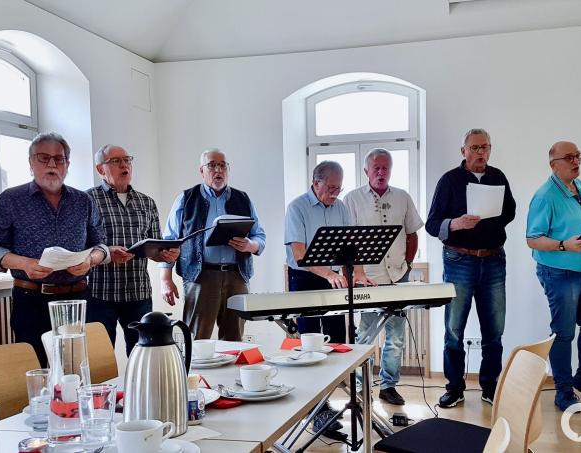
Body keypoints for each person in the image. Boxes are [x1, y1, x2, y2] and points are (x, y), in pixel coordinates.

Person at [0, 132, 109, 366]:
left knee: (77, 370)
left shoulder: (83, 201)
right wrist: (24, 264)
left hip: (77, 299)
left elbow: (101, 245)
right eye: (43, 158)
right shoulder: (11, 199)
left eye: (58, 159)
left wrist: (90, 260)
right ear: (31, 163)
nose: (52, 164)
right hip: (31, 299)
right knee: (36, 369)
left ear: (67, 165)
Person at [426, 128, 516, 408]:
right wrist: (455, 224)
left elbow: (510, 211)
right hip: (459, 261)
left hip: (493, 260)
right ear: (463, 151)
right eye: (475, 148)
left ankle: (490, 386)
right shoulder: (449, 180)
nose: (481, 153)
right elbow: (432, 224)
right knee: (454, 330)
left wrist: (491, 220)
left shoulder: (498, 177)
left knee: (495, 329)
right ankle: (454, 388)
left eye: (486, 147)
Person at [285, 160, 375, 436]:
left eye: (339, 187)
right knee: (311, 348)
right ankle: (315, 412)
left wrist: (358, 273)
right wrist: (328, 273)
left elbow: (352, 246)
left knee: (338, 345)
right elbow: (299, 255)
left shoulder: (341, 207)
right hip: (305, 278)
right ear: (316, 182)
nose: (335, 193)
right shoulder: (297, 207)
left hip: (334, 278)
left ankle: (327, 406)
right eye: (331, 187)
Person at [526, 141, 581, 411]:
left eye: (578, 156)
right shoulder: (545, 196)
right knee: (563, 333)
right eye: (569, 158)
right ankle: (563, 390)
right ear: (554, 164)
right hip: (560, 274)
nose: (576, 161)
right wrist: (563, 245)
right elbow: (533, 239)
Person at [344, 148, 424, 406]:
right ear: (366, 171)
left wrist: (408, 264)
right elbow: (347, 241)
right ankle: (358, 385)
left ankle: (389, 385)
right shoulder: (352, 199)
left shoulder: (402, 197)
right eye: (376, 168)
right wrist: (356, 273)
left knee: (396, 335)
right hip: (368, 278)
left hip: (398, 276)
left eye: (385, 168)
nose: (381, 172)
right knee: (364, 335)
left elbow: (412, 233)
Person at [160, 149, 266, 341]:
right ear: (202, 171)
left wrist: (250, 245)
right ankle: (196, 372)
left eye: (222, 165)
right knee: (197, 341)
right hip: (200, 276)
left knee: (235, 340)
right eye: (212, 165)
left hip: (237, 277)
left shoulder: (243, 199)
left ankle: (233, 372)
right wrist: (165, 279)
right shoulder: (186, 198)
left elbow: (260, 236)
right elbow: (169, 241)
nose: (218, 169)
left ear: (228, 169)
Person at [86, 144, 179, 355]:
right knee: (99, 358)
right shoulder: (88, 200)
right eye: (116, 161)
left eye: (127, 160)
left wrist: (166, 254)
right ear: (100, 169)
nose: (124, 165)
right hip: (101, 294)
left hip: (138, 293)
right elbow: (81, 246)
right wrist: (107, 253)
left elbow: (155, 246)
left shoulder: (147, 203)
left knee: (142, 355)